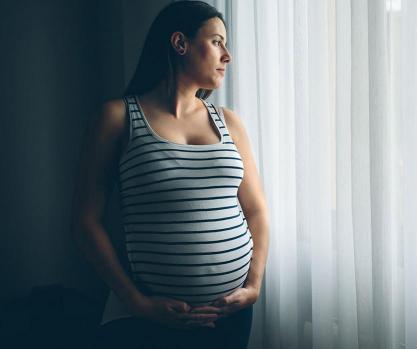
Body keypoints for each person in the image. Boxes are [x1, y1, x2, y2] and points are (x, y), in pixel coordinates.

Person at [70, 1, 270, 348]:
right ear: (180, 43)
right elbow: (86, 223)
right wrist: (137, 302)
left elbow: (257, 212)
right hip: (154, 320)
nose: (228, 56)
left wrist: (253, 285)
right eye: (217, 41)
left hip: (232, 316)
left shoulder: (229, 122)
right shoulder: (118, 118)